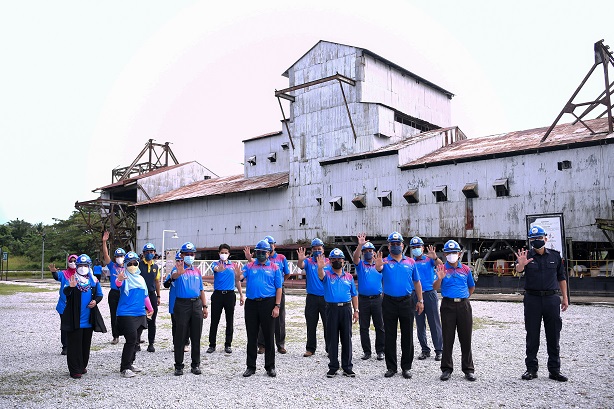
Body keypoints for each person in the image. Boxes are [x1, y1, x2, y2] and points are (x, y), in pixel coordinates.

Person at [515, 225, 568, 382]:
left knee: (553, 335)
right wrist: (521, 265)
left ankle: (554, 370)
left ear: (546, 238)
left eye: (539, 238)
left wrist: (565, 298)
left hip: (551, 299)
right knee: (532, 336)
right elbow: (518, 270)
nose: (536, 241)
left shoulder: (555, 256)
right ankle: (531, 369)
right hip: (532, 299)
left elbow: (561, 277)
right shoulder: (526, 256)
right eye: (533, 239)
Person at [375, 231, 424, 379]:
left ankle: (406, 367)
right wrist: (378, 266)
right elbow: (378, 269)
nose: (396, 246)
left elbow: (417, 282)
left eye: (398, 244)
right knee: (390, 335)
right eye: (393, 244)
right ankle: (391, 367)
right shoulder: (384, 262)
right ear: (389, 246)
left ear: (403, 245)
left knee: (407, 335)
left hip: (407, 302)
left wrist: (420, 300)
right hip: (389, 302)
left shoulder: (411, 262)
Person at [235, 239, 282, 377]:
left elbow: (279, 288)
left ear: (268, 253)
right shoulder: (249, 266)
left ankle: (270, 366)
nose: (260, 254)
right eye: (258, 252)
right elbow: (240, 277)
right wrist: (237, 275)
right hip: (252, 304)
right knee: (252, 336)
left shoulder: (275, 267)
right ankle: (251, 366)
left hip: (268, 303)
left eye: (263, 252)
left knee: (269, 336)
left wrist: (277, 306)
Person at [433, 240, 476, 381]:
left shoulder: (466, 269)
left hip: (463, 305)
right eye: (449, 252)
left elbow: (471, 287)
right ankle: (446, 369)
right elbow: (435, 287)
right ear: (445, 254)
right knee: (447, 337)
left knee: (466, 338)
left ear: (459, 253)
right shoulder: (441, 269)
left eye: (454, 252)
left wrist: (463, 297)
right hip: (448, 305)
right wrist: (439, 279)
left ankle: (468, 369)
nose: (452, 255)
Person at [317, 248, 359, 378]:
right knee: (332, 338)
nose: (337, 261)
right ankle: (333, 367)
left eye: (339, 259)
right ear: (330, 261)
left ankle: (347, 367)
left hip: (346, 309)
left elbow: (354, 294)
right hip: (332, 309)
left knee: (346, 338)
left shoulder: (349, 277)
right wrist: (320, 267)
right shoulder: (327, 275)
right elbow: (321, 275)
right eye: (334, 259)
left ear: (343, 261)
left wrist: (356, 310)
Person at [61, 254, 103, 379]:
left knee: (85, 344)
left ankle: (82, 365)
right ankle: (74, 369)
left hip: (88, 320)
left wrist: (95, 301)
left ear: (89, 266)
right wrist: (71, 287)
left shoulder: (94, 280)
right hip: (75, 319)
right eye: (80, 265)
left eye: (85, 265)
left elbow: (99, 294)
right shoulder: (72, 279)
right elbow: (65, 292)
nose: (83, 268)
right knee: (74, 345)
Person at [169, 242, 208, 376]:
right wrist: (178, 273)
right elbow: (173, 277)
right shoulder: (177, 269)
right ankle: (178, 366)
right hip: (182, 305)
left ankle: (195, 364)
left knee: (196, 336)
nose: (190, 256)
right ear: (182, 255)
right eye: (187, 254)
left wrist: (204, 306)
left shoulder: (197, 271)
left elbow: (201, 290)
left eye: (192, 254)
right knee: (180, 336)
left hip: (196, 304)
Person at [115, 251, 154, 378]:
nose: (132, 266)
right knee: (131, 339)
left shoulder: (141, 279)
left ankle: (130, 363)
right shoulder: (124, 276)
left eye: (135, 263)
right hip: (126, 313)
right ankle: (124, 368)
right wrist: (119, 280)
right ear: (125, 265)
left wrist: (150, 308)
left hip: (140, 312)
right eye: (129, 264)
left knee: (136, 341)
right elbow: (118, 284)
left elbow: (145, 295)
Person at [409, 236, 443, 361]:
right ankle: (425, 350)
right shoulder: (411, 262)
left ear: (423, 248)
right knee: (420, 323)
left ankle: (439, 350)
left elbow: (442, 267)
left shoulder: (429, 260)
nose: (416, 249)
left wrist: (435, 257)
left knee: (434, 322)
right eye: (414, 247)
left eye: (418, 246)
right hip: (415, 294)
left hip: (429, 293)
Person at [351, 234, 384, 361]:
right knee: (364, 327)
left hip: (377, 299)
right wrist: (360, 245)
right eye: (365, 251)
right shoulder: (361, 265)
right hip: (363, 299)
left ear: (374, 252)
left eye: (370, 250)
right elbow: (355, 258)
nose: (368, 253)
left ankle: (380, 351)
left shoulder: (379, 265)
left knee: (379, 326)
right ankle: (367, 351)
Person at [207, 243, 244, 354]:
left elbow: (237, 280)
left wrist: (241, 294)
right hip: (218, 295)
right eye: (222, 252)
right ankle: (212, 344)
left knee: (229, 320)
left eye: (226, 253)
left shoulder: (233, 265)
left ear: (229, 254)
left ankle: (228, 344)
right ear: (219, 253)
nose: (224, 254)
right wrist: (219, 269)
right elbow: (215, 269)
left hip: (230, 295)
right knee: (214, 320)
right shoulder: (215, 264)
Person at [256, 236, 290, 354]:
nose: (269, 247)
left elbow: (287, 273)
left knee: (279, 317)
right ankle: (262, 344)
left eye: (271, 244)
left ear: (274, 245)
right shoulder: (262, 258)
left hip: (278, 289)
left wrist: (279, 283)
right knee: (263, 316)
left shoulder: (281, 258)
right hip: (266, 291)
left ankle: (280, 344)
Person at [297, 238, 329, 357]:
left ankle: (330, 348)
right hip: (312, 298)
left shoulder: (328, 262)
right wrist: (300, 259)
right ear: (311, 250)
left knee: (328, 324)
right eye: (314, 249)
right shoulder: (308, 262)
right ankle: (310, 348)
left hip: (326, 298)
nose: (317, 251)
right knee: (311, 324)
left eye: (319, 249)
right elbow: (301, 265)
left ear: (323, 250)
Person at [48, 254, 78, 355]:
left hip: (76, 304)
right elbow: (57, 276)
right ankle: (65, 346)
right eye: (71, 261)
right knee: (65, 325)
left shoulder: (81, 274)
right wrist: (53, 272)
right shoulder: (64, 274)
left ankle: (75, 345)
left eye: (75, 261)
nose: (73, 263)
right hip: (64, 304)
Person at [163, 251, 191, 353]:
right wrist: (172, 278)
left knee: (186, 324)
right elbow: (166, 284)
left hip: (185, 302)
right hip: (174, 302)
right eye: (178, 261)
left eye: (181, 260)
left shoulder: (188, 272)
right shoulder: (173, 271)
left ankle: (186, 343)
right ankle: (176, 344)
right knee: (175, 324)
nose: (179, 263)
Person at [101, 231, 125, 345]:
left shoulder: (128, 266)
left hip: (125, 292)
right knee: (114, 314)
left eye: (121, 256)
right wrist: (104, 242)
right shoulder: (112, 266)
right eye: (117, 256)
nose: (119, 258)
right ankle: (115, 336)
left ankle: (130, 334)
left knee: (127, 314)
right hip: (114, 293)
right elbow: (106, 255)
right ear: (115, 258)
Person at [139, 242, 161, 353]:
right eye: (147, 252)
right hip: (140, 295)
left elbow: (157, 282)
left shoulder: (156, 267)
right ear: (143, 253)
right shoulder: (138, 265)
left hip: (152, 295)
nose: (149, 253)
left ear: (154, 253)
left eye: (151, 251)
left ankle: (151, 343)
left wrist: (158, 296)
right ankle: (136, 342)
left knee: (152, 319)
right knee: (139, 319)